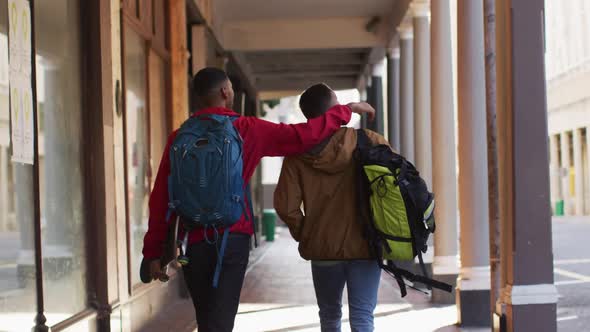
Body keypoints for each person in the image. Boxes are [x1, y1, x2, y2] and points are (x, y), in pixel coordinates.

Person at [141, 68, 376, 332]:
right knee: (220, 321)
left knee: (207, 318)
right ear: (225, 92)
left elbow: (161, 198)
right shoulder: (246, 129)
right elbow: (303, 135)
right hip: (232, 239)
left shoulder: (178, 138)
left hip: (193, 242)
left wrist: (153, 252)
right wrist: (346, 109)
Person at [274, 83, 390, 332]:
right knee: (362, 317)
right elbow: (392, 189)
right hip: (366, 244)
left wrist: (307, 232)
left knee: (328, 316)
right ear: (334, 110)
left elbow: (286, 207)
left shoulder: (296, 157)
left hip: (323, 248)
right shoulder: (369, 141)